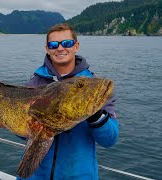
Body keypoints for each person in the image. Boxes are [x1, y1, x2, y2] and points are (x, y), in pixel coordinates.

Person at [17, 23, 119, 179]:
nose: (60, 48)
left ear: (76, 46)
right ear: (47, 48)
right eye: (53, 44)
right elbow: (24, 134)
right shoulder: (34, 85)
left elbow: (110, 139)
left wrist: (94, 115)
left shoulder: (94, 88)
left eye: (67, 43)